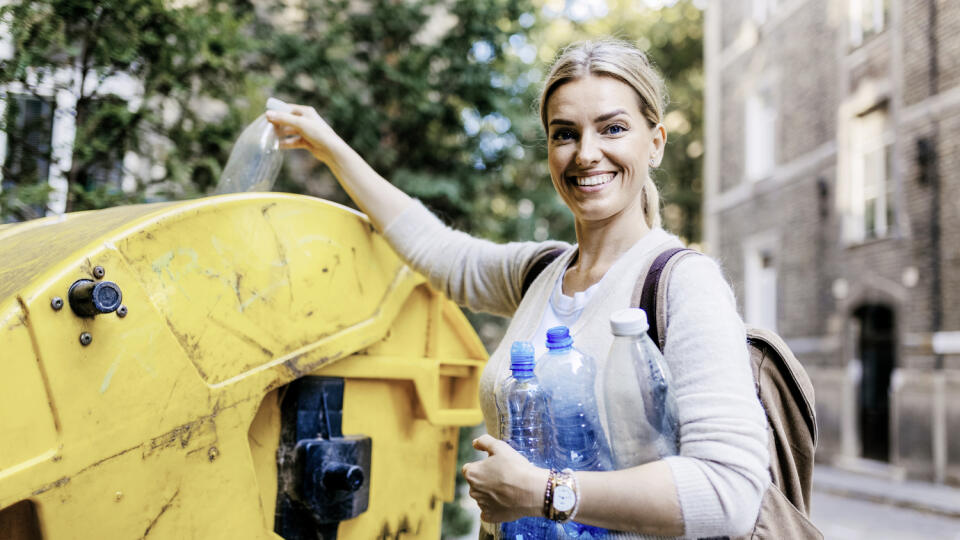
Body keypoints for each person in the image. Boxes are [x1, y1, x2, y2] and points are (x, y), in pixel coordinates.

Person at [267, 39, 769, 538]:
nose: (586, 154)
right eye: (565, 134)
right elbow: (441, 252)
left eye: (613, 128)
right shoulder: (543, 272)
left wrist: (542, 493)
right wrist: (330, 149)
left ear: (655, 142)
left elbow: (729, 492)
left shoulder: (684, 283)